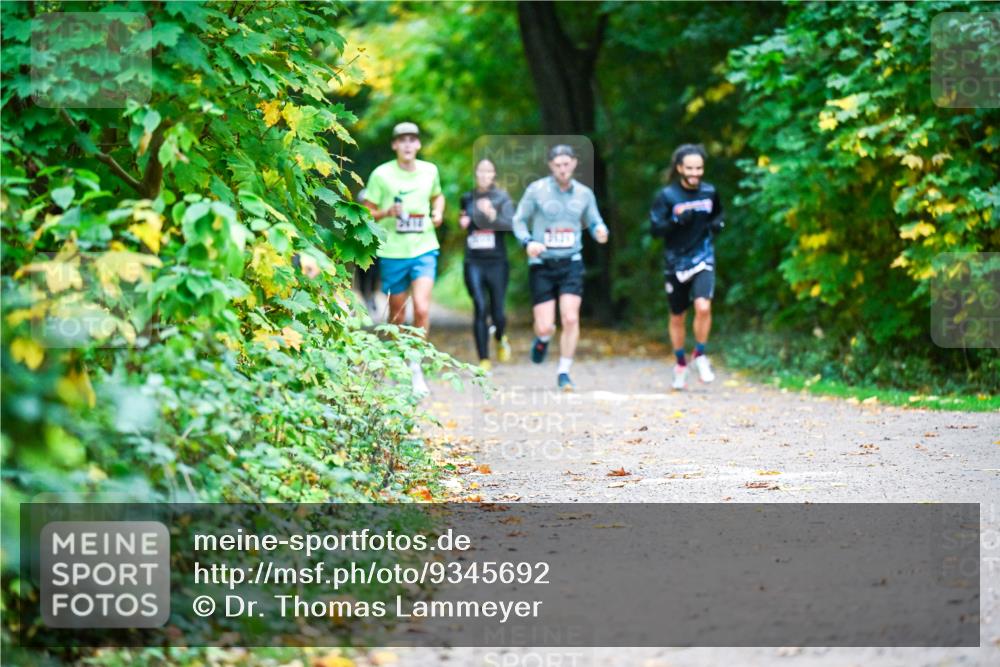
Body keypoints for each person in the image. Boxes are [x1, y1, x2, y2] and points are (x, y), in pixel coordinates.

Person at [512, 144, 609, 391]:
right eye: (558, 165)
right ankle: (543, 338)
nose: (563, 169)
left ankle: (564, 371)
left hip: (571, 262)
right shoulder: (536, 190)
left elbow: (595, 220)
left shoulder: (584, 194)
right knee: (545, 325)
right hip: (542, 263)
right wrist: (528, 242)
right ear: (550, 166)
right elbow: (519, 220)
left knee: (570, 317)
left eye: (566, 164)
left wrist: (600, 230)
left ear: (574, 163)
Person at [362, 122, 445, 395]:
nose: (408, 144)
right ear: (395, 145)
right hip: (393, 252)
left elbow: (438, 196)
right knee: (397, 315)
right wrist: (387, 213)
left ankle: (416, 366)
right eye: (402, 140)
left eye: (412, 139)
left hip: (424, 248)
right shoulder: (381, 174)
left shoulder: (430, 171)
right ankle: (400, 365)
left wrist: (438, 212)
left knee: (421, 308)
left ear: (418, 144)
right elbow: (366, 211)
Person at [649, 143, 725, 390]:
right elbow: (655, 230)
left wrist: (717, 224)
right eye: (690, 168)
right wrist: (675, 221)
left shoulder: (710, 192)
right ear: (680, 168)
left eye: (699, 168)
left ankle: (700, 354)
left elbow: (718, 215)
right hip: (675, 262)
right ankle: (680, 363)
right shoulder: (667, 196)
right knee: (678, 316)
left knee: (703, 306)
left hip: (703, 256)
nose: (695, 173)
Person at [460, 158, 515, 371]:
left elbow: (510, 226)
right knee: (480, 306)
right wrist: (463, 222)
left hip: (497, 262)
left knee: (498, 311)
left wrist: (492, 214)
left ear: (494, 175)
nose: (484, 175)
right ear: (475, 174)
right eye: (480, 171)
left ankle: (500, 336)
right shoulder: (467, 198)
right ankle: (483, 358)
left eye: (488, 171)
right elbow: (463, 220)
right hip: (473, 260)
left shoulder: (502, 198)